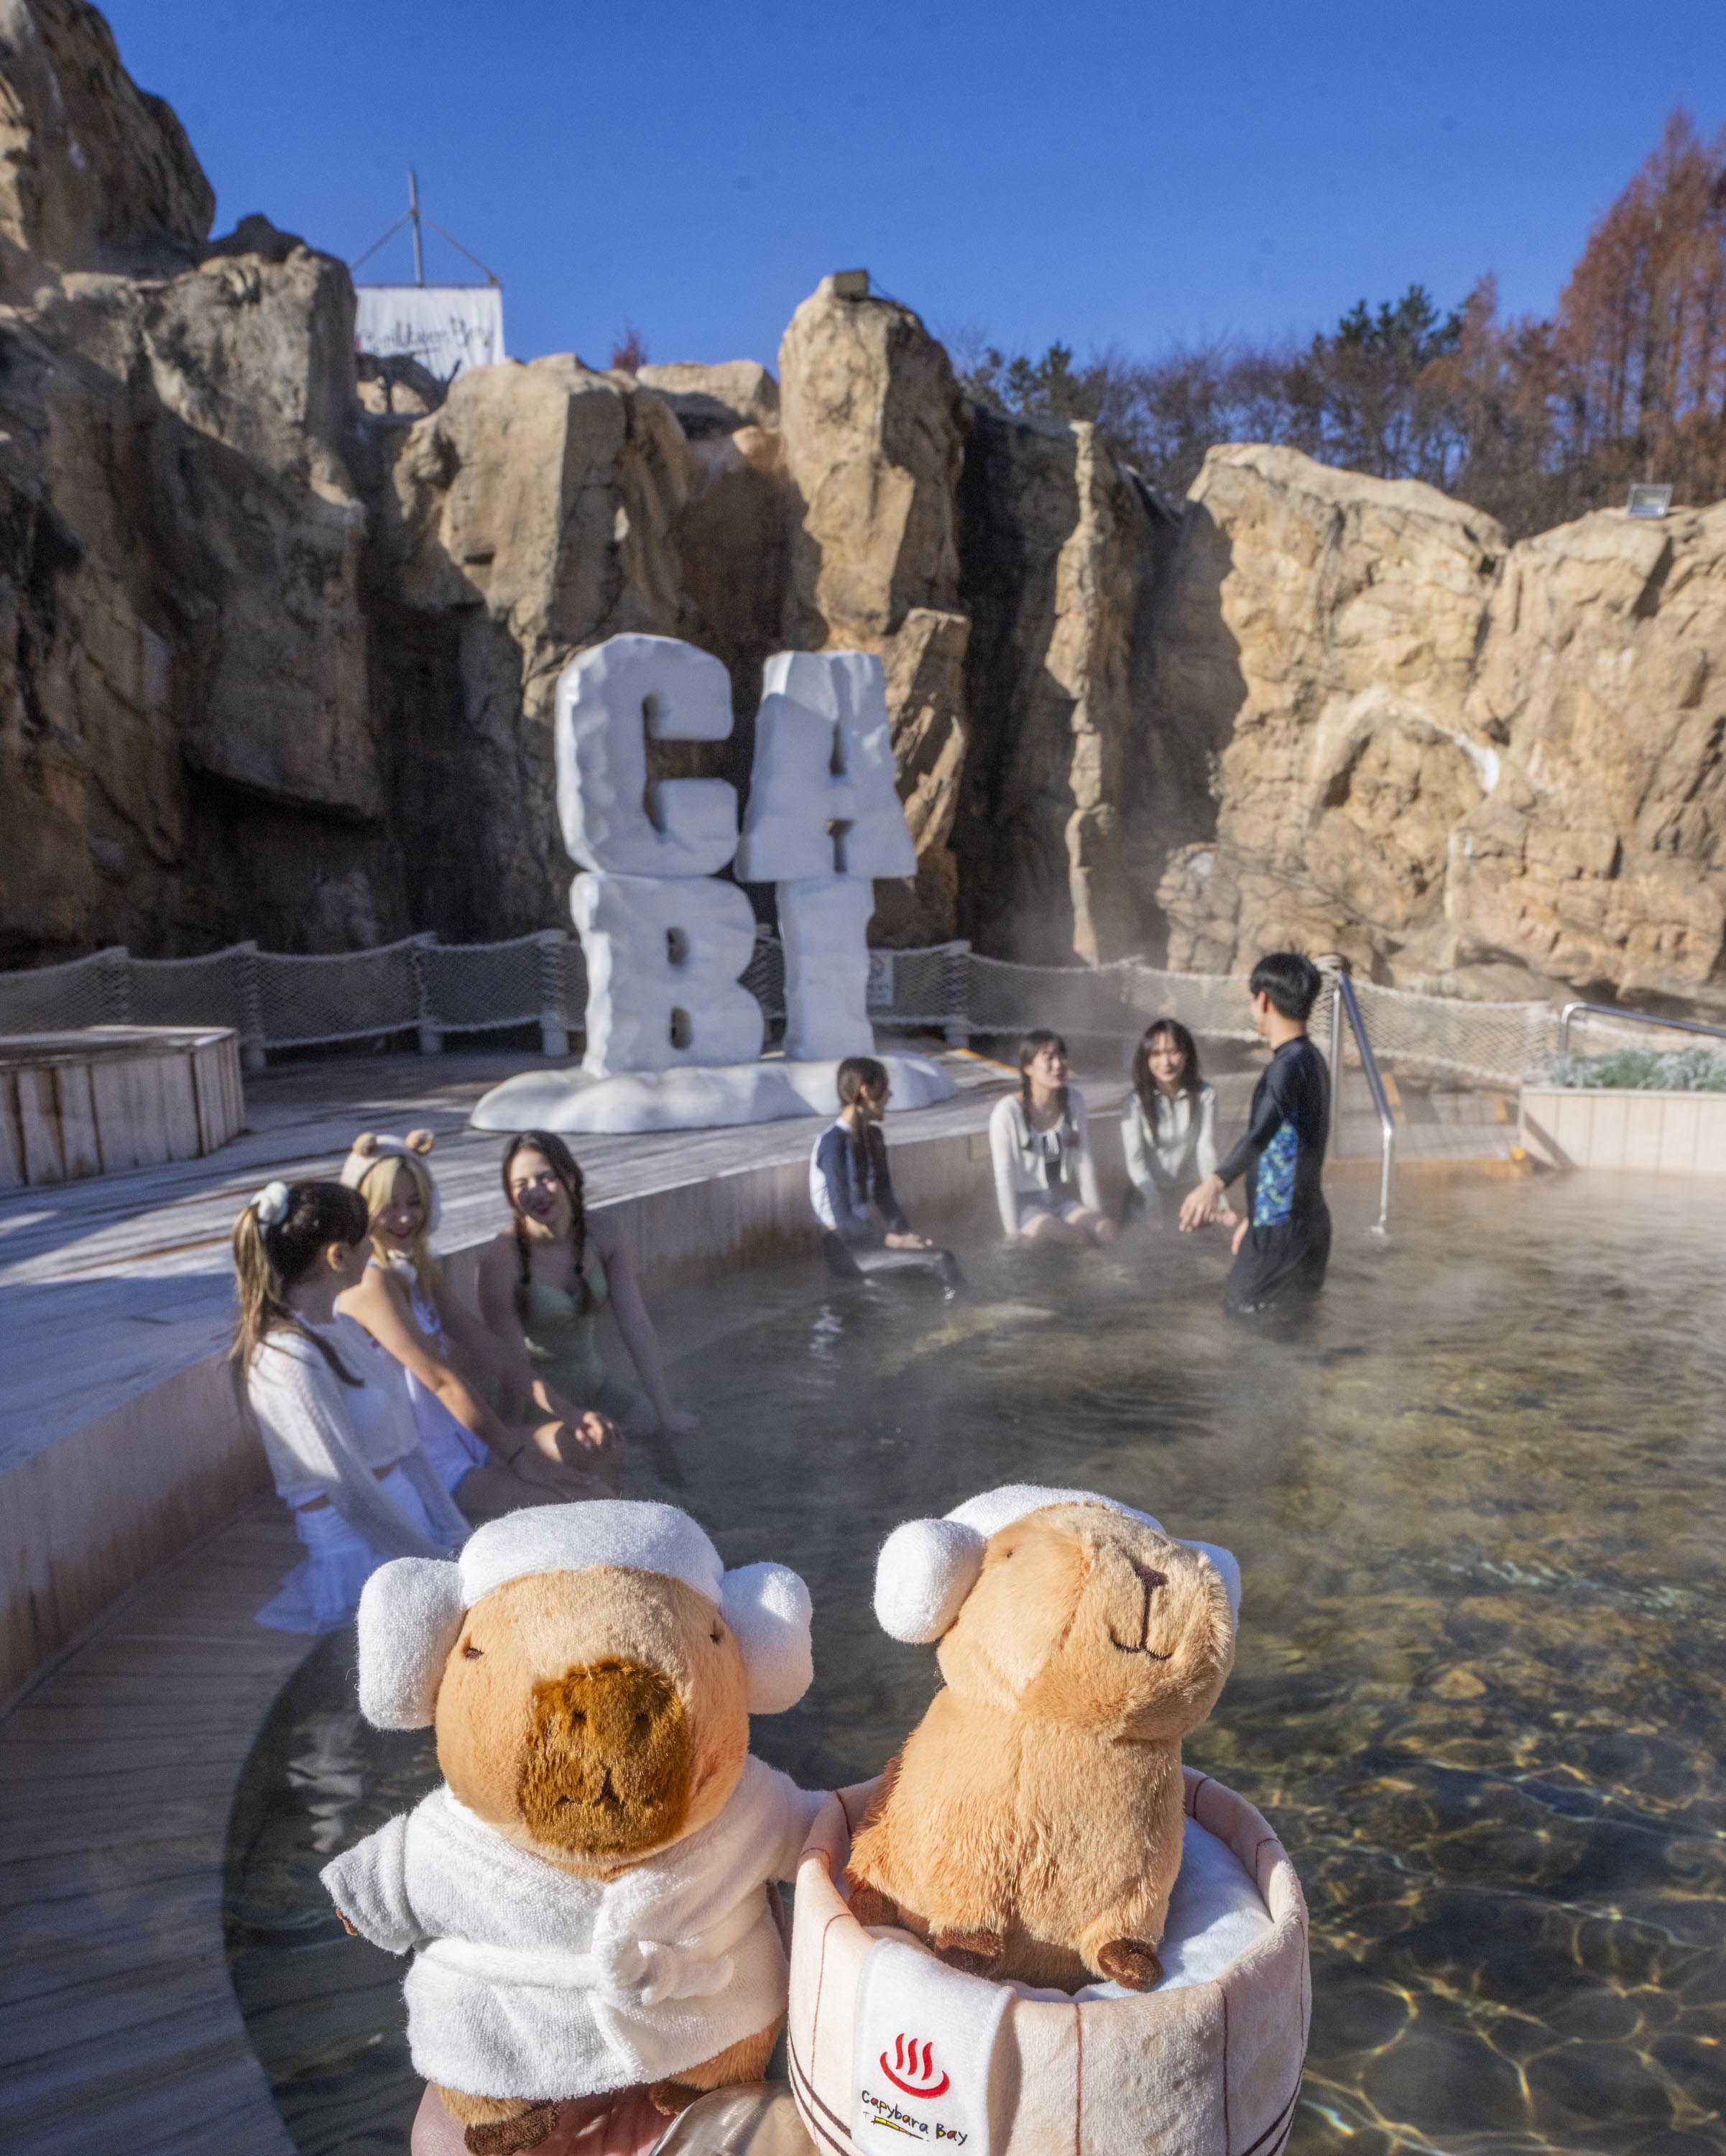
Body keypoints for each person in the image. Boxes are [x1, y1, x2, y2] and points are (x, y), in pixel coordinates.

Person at [337, 1130, 619, 1514]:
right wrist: (518, 1459)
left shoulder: (417, 1268)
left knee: (597, 1446)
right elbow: (443, 1381)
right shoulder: (372, 1285)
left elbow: (489, 1348)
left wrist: (570, 1412)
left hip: (462, 1438)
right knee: (577, 1509)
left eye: (416, 1203)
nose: (406, 1217)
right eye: (389, 1205)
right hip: (424, 1463)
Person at [233, 1179, 469, 1634]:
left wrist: (456, 1538)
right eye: (366, 1239)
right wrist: (436, 1567)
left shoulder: (341, 1326)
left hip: (408, 1533)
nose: (374, 1248)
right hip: (362, 1556)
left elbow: (406, 1445)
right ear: (338, 1256)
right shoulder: (286, 1358)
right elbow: (351, 1493)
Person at [477, 1131, 700, 1437]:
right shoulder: (500, 1259)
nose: (536, 1192)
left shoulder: (605, 1234)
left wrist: (667, 1413)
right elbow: (513, 1367)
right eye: (521, 1185)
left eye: (546, 1178)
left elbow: (636, 1326)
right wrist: (512, 1445)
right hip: (540, 1404)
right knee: (601, 1459)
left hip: (597, 1386)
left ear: (570, 1177)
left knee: (672, 1436)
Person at [1178, 952, 1331, 1318]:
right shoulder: (1312, 1060)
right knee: (1293, 1323)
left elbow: (1261, 1134)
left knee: (1242, 1317)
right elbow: (1297, 1149)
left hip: (1280, 1230)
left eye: (1251, 1000)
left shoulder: (1285, 1067)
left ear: (1263, 1000)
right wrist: (1255, 1214)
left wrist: (1214, 1183)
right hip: (1308, 1223)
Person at [810, 1056, 963, 1296]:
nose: (890, 1095)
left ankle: (952, 1313)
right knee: (942, 1260)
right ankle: (967, 1311)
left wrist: (910, 1237)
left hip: (868, 1241)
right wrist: (896, 1241)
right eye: (885, 1086)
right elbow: (843, 1220)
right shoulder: (833, 1143)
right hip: (844, 1251)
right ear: (866, 1091)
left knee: (931, 1262)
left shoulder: (874, 1137)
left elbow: (884, 1197)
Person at [988, 1030, 1116, 1247]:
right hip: (1026, 1206)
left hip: (1060, 1199)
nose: (1058, 1065)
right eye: (1049, 1058)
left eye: (1062, 1057)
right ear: (1028, 1068)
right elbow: (1004, 1177)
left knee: (1106, 1229)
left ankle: (1109, 1267)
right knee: (1076, 1237)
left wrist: (1096, 1217)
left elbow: (1084, 1163)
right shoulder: (1007, 1112)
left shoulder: (1074, 1101)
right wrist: (1012, 1235)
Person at [1120, 1018, 1235, 1227]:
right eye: (1156, 1054)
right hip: (1146, 1192)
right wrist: (1153, 1202)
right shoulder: (1135, 1101)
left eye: (1173, 1052)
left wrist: (1218, 1198)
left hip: (1187, 1191)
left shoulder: (1205, 1095)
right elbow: (1135, 1160)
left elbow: (1206, 1149)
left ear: (1187, 1054)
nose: (1166, 1062)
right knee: (1141, 1242)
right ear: (1146, 1058)